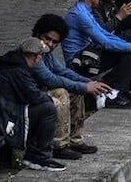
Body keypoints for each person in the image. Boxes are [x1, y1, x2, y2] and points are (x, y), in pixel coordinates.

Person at [30, 14, 113, 160]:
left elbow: (63, 72)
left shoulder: (47, 55)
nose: (50, 44)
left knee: (76, 92)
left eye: (54, 42)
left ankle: (75, 140)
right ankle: (58, 145)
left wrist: (87, 82)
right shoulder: (32, 53)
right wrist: (84, 87)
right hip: (29, 98)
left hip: (40, 95)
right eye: (47, 39)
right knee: (61, 92)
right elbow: (50, 79)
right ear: (37, 34)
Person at [0, 38, 65, 172]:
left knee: (45, 107)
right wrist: (50, 99)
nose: (41, 60)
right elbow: (33, 96)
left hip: (1, 116)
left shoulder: (14, 65)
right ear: (36, 57)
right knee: (48, 109)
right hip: (1, 122)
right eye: (41, 56)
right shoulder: (17, 70)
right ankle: (39, 157)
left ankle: (36, 155)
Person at [62, 0, 131, 108]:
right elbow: (103, 41)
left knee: (130, 48)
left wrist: (129, 44)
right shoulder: (80, 14)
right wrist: (130, 46)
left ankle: (123, 92)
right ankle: (113, 93)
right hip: (79, 62)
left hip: (89, 54)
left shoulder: (85, 10)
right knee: (128, 51)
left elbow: (104, 34)